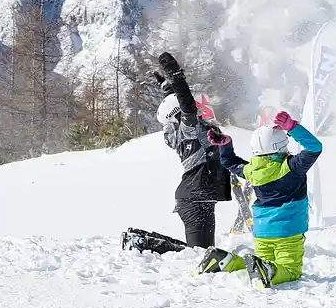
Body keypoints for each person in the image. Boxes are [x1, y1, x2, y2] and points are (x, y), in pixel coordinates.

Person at [194, 110, 322, 289]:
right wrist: (292, 127)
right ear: (281, 144)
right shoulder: (292, 167)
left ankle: (226, 261)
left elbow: (230, 162)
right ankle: (265, 271)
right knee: (290, 270)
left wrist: (225, 145)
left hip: (262, 231)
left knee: (261, 264)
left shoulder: (251, 170)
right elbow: (315, 147)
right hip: (288, 231)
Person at [121, 52, 232, 254]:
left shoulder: (182, 131)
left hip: (198, 196)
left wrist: (167, 89)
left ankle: (141, 240)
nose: (198, 109)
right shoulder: (190, 129)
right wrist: (176, 75)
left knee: (201, 252)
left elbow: (177, 106)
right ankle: (141, 243)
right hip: (196, 196)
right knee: (200, 254)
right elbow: (186, 104)